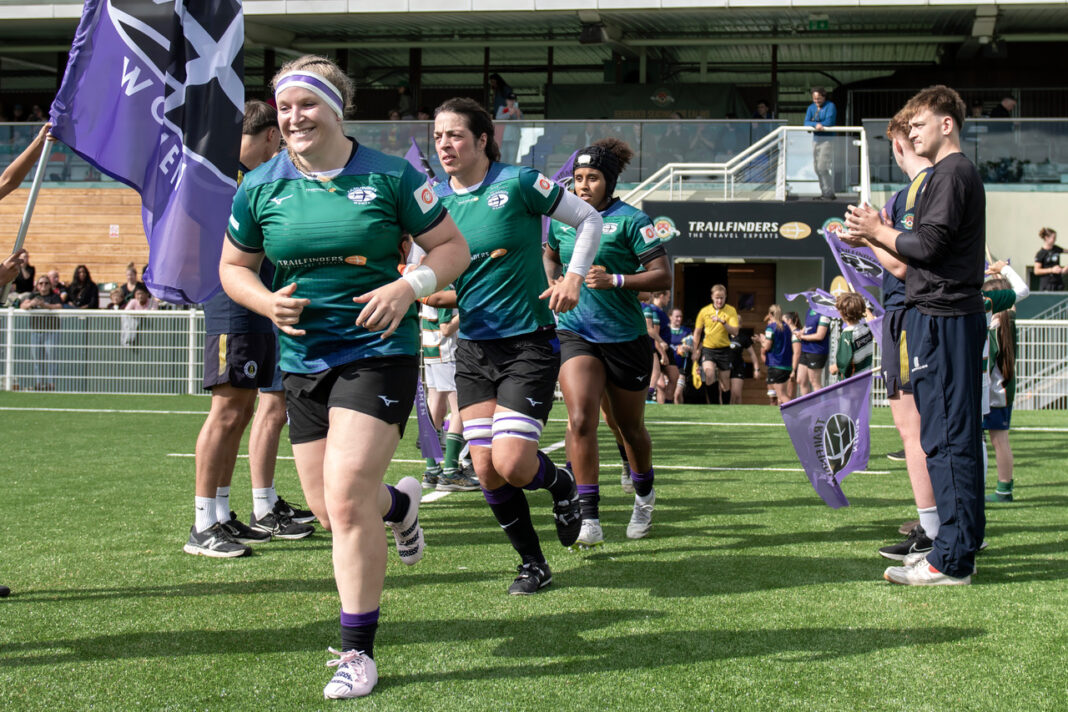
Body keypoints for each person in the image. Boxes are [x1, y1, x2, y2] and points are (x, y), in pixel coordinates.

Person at [219, 55, 470, 698]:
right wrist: (263, 301)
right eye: (285, 107)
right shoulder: (260, 187)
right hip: (302, 360)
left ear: (336, 108)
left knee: (348, 487)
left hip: (376, 351)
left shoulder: (391, 174)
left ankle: (358, 653)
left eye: (307, 104)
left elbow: (452, 250)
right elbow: (233, 267)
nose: (295, 117)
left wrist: (407, 287)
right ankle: (402, 505)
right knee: (334, 512)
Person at [433, 96, 600, 594]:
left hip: (527, 344)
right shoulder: (435, 202)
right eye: (438, 135)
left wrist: (573, 278)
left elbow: (588, 220)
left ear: (483, 140)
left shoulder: (520, 183)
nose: (445, 143)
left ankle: (563, 485)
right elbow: (444, 272)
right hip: (473, 348)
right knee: (484, 469)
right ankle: (533, 563)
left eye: (456, 134)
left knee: (512, 464)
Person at [845, 85, 987, 586]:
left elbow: (926, 246)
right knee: (946, 437)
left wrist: (874, 231)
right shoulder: (948, 176)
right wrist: (875, 234)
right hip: (940, 316)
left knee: (947, 438)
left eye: (920, 123)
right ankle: (953, 546)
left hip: (944, 317)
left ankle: (951, 560)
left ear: (947, 124)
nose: (912, 132)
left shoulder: (952, 172)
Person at [186, 99, 315, 561]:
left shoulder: (244, 176)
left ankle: (220, 513)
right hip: (229, 301)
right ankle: (202, 523)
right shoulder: (222, 176)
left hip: (255, 301)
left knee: (240, 411)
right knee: (227, 410)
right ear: (269, 136)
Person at [545, 137, 670, 549]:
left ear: (609, 181)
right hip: (575, 332)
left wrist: (617, 279)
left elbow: (662, 275)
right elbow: (549, 254)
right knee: (580, 419)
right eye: (578, 178)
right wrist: (556, 280)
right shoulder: (561, 219)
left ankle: (644, 497)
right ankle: (589, 516)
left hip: (625, 338)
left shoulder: (633, 220)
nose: (583, 186)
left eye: (592, 178)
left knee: (629, 428)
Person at [867, 108, 938, 562]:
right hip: (915, 313)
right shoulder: (933, 186)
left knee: (914, 431)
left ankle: (934, 528)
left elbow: (902, 266)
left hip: (910, 313)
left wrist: (869, 234)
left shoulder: (917, 191)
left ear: (897, 145)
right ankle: (943, 522)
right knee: (932, 429)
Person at [419, 276, 478, 492]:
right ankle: (451, 471)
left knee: (435, 407)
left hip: (432, 352)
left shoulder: (429, 284)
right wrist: (469, 309)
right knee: (460, 409)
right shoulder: (444, 285)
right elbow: (446, 328)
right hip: (447, 353)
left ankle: (432, 469)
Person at [982, 263, 1027, 502]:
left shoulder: (995, 326)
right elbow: (1019, 289)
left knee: (995, 441)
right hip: (1004, 389)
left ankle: (1001, 489)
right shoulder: (1009, 320)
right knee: (1000, 440)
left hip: (992, 392)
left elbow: (986, 363)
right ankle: (1004, 487)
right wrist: (1004, 271)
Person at [692, 284, 740, 403]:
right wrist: (695, 350)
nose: (719, 300)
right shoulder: (704, 311)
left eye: (722, 298)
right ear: (712, 297)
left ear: (725, 297)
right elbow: (697, 332)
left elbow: (735, 331)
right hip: (708, 349)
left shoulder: (731, 310)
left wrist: (723, 322)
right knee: (709, 374)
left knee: (725, 383)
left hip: (724, 349)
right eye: (717, 297)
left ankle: (725, 408)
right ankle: (713, 405)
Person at [21, 275, 63, 390]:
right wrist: (31, 304)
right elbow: (22, 305)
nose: (43, 285)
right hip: (36, 331)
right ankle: (39, 383)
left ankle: (51, 384)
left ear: (50, 285)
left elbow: (59, 306)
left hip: (51, 331)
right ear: (37, 286)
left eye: (46, 283)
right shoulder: (33, 295)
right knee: (37, 359)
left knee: (51, 358)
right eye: (41, 283)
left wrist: (45, 306)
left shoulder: (54, 296)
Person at [829, 292, 873, 378]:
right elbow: (871, 319)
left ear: (842, 313)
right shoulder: (866, 329)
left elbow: (844, 362)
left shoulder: (847, 334)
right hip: (865, 377)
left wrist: (834, 368)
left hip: (851, 382)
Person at [805, 87, 837, 200]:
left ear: (824, 97)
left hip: (827, 140)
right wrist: (816, 125)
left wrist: (817, 124)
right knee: (816, 168)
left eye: (818, 98)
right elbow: (806, 122)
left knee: (822, 167)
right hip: (816, 140)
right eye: (814, 98)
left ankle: (829, 193)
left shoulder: (830, 106)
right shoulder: (811, 108)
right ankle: (824, 192)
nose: (816, 101)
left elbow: (829, 121)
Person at [759, 304, 794, 404]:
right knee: (782, 394)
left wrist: (762, 341)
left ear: (770, 315)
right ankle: (786, 416)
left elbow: (768, 346)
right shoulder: (786, 327)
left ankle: (795, 415)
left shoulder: (771, 327)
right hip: (787, 365)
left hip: (776, 364)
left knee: (781, 395)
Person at [794, 301, 830, 394]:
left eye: (808, 298)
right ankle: (807, 407)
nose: (806, 301)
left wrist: (803, 337)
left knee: (815, 382)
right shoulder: (809, 310)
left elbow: (820, 336)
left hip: (816, 351)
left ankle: (821, 407)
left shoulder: (824, 313)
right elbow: (807, 326)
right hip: (805, 349)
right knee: (801, 380)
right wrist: (801, 332)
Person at [728, 325, 761, 405]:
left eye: (737, 323)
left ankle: (738, 414)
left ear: (740, 325)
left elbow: (752, 354)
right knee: (725, 393)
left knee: (736, 394)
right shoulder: (724, 335)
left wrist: (756, 369)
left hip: (738, 367)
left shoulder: (743, 337)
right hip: (724, 367)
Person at [668, 307, 692, 404]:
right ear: (670, 317)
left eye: (680, 317)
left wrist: (687, 348)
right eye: (676, 316)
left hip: (681, 367)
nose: (679, 319)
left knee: (677, 394)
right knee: (668, 393)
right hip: (667, 367)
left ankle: (680, 413)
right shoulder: (665, 330)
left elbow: (693, 347)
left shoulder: (687, 331)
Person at [1033, 227, 1064, 291]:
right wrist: (1051, 270)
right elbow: (1036, 271)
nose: (1055, 240)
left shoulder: (1056, 249)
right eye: (1053, 238)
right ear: (1047, 238)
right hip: (1047, 285)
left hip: (1058, 284)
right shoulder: (1041, 253)